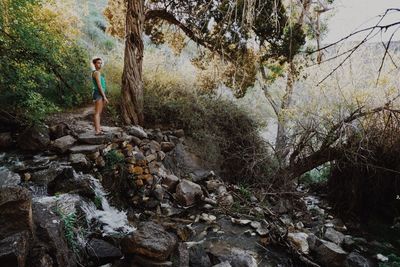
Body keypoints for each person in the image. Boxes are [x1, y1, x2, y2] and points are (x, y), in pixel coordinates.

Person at [91, 57, 109, 135]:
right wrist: (104, 96)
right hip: (98, 93)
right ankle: (97, 131)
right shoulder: (96, 73)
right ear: (94, 64)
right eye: (98, 63)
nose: (100, 64)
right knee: (97, 112)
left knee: (99, 112)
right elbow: (99, 85)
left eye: (101, 63)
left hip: (99, 93)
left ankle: (99, 127)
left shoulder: (97, 72)